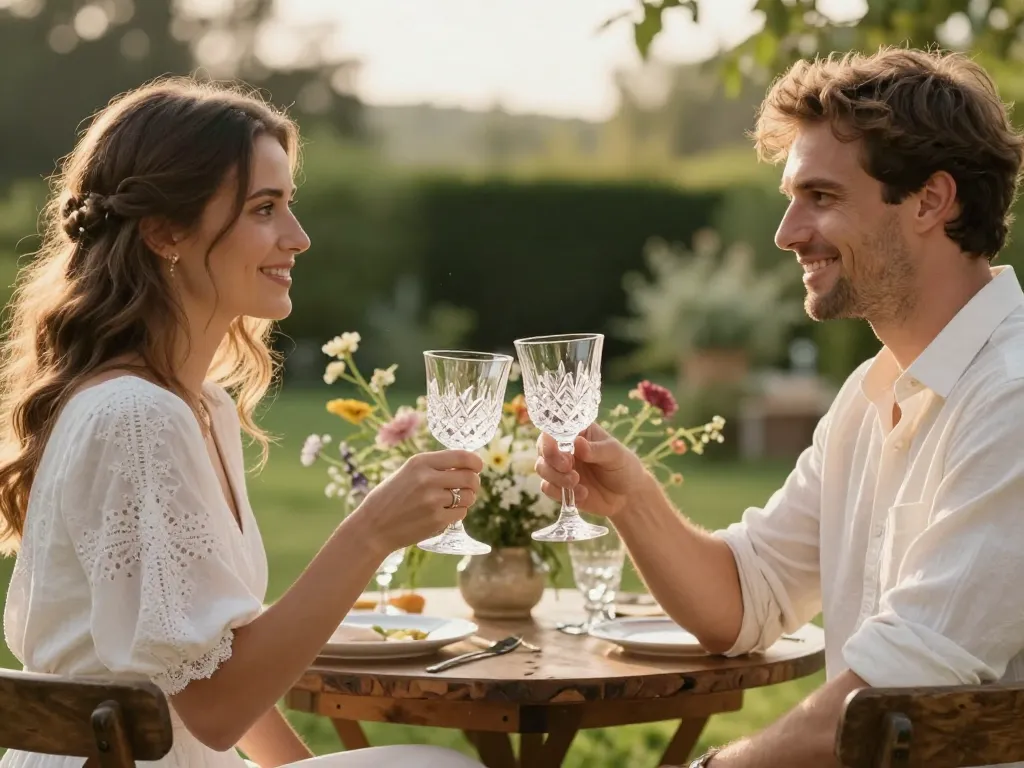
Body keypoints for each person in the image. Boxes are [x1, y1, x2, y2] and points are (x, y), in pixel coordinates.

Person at [536, 47, 1024, 768]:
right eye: (793, 197)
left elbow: (896, 696)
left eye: (821, 197)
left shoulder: (1011, 395)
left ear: (930, 201)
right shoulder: (869, 397)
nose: (787, 232)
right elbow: (744, 600)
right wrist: (631, 500)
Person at [0, 78, 486, 768]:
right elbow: (216, 704)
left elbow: (206, 665)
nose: (298, 237)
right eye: (264, 209)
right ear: (165, 232)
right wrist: (372, 532)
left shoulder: (201, 406)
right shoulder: (138, 418)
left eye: (289, 204)